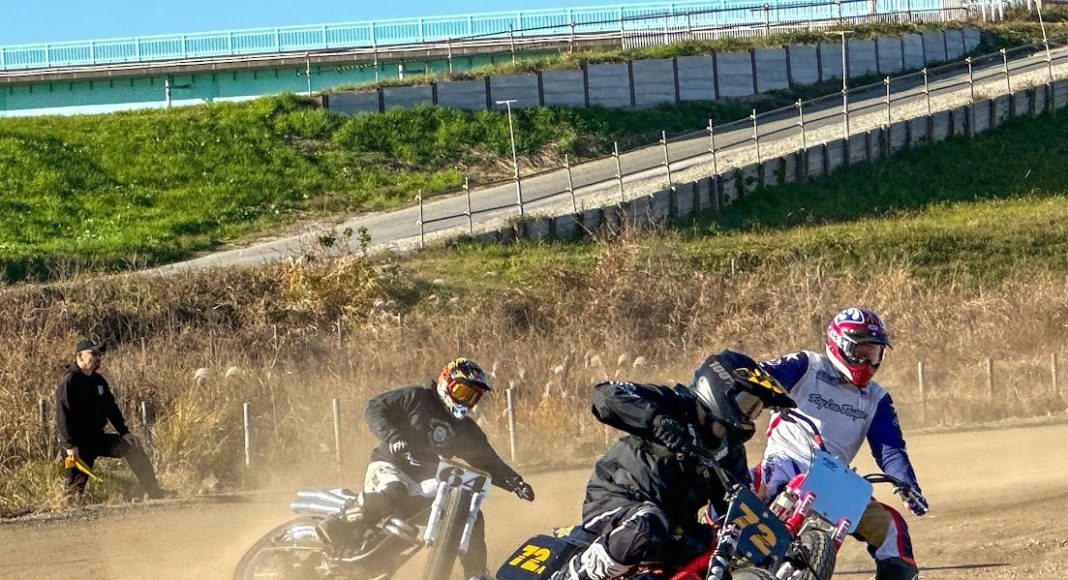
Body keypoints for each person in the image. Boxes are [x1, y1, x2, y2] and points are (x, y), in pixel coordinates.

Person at [550, 349, 796, 580]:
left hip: (674, 526)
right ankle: (573, 574)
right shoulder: (674, 403)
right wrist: (655, 419)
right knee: (648, 525)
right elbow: (604, 395)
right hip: (617, 502)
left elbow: (739, 510)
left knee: (717, 554)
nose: (749, 416)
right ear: (720, 388)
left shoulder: (730, 451)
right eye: (747, 404)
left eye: (755, 411)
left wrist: (787, 553)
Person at [318, 357, 535, 580]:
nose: (465, 400)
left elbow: (486, 459)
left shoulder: (464, 429)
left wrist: (515, 482)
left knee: (472, 516)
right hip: (391, 465)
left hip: (424, 483)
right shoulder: (416, 397)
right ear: (446, 382)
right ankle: (340, 521)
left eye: (472, 396)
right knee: (394, 492)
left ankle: (476, 574)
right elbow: (375, 407)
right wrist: (393, 436)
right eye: (461, 391)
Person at [753, 307, 929, 580]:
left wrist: (907, 484)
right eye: (861, 351)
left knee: (892, 529)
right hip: (786, 460)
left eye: (874, 353)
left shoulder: (877, 398)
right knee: (735, 493)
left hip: (833, 479)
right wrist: (767, 392)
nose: (867, 362)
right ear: (839, 343)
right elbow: (760, 375)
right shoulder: (807, 365)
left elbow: (890, 449)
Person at [56, 339, 170, 500]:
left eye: (99, 354)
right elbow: (62, 416)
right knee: (74, 490)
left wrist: (124, 432)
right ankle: (64, 506)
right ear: (79, 356)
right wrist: (70, 445)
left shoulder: (98, 381)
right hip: (78, 444)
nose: (97, 357)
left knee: (133, 447)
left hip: (97, 438)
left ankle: (154, 492)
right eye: (93, 354)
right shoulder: (69, 382)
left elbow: (111, 408)